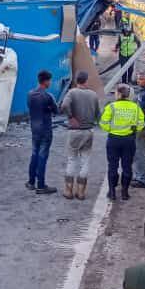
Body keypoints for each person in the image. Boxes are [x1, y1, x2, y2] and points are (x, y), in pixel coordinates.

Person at [60, 71, 101, 200]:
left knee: (72, 160)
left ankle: (68, 191)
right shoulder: (93, 95)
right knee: (85, 161)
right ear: (86, 80)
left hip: (74, 131)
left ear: (77, 80)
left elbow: (64, 105)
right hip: (88, 131)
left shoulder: (72, 93)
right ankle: (81, 192)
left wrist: (71, 117)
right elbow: (98, 115)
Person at [100, 84, 144, 201]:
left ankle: (112, 192)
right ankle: (125, 193)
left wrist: (112, 130)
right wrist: (133, 130)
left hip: (114, 140)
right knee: (127, 166)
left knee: (113, 166)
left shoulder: (112, 106)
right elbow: (141, 124)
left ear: (118, 94)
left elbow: (103, 123)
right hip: (129, 140)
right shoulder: (135, 107)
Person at [27, 70, 59, 194]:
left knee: (34, 154)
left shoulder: (30, 94)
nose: (50, 83)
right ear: (46, 81)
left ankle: (31, 182)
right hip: (45, 129)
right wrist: (49, 108)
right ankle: (41, 185)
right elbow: (56, 111)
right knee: (42, 156)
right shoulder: (48, 96)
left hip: (34, 128)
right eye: (49, 80)